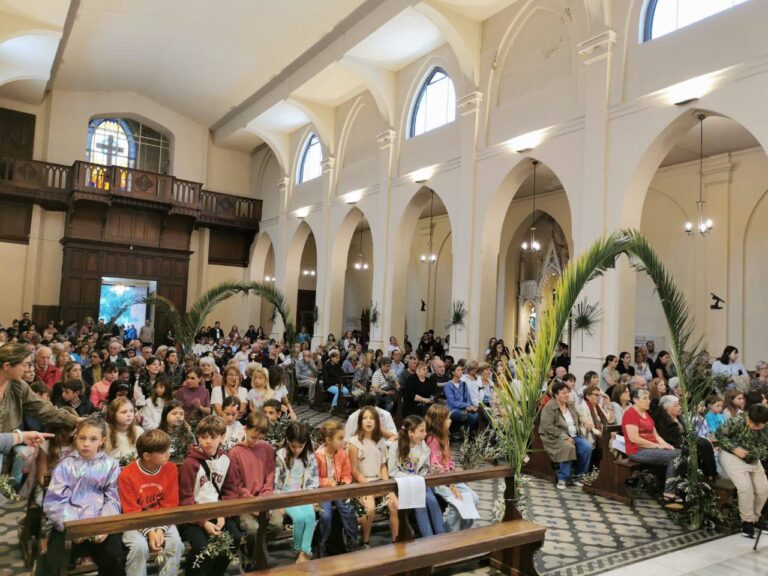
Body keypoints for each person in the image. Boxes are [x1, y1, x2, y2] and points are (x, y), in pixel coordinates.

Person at [38, 417, 125, 576]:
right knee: (52, 563)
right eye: (82, 438)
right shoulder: (65, 465)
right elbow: (55, 502)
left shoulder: (111, 465)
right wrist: (74, 527)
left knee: (115, 558)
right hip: (68, 524)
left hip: (100, 524)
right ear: (75, 437)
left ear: (102, 441)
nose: (86, 444)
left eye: (93, 439)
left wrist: (104, 526)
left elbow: (113, 499)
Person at [178, 415, 240, 576]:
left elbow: (231, 491)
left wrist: (223, 515)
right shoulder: (190, 464)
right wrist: (203, 522)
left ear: (222, 437)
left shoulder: (226, 459)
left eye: (213, 437)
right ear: (197, 437)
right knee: (201, 548)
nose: (208, 441)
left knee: (235, 539)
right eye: (203, 437)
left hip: (219, 511)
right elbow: (185, 499)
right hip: (194, 516)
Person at [119, 429, 183, 576]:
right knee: (139, 547)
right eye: (163, 451)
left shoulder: (171, 469)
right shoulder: (127, 475)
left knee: (175, 544)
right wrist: (150, 532)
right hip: (134, 522)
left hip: (164, 518)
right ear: (147, 456)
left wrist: (160, 529)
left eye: (168, 449)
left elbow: (171, 504)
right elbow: (131, 510)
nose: (169, 453)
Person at [221, 410, 275, 566]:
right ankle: (255, 557)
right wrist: (252, 504)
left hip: (265, 499)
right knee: (252, 529)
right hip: (244, 501)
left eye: (260, 438)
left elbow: (270, 477)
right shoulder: (235, 453)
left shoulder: (267, 449)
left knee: (276, 524)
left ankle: (254, 552)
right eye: (253, 437)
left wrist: (265, 500)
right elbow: (236, 485)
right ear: (245, 429)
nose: (256, 441)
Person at [621, 389, 681, 508]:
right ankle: (668, 494)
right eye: (645, 398)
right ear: (635, 400)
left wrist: (666, 445)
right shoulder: (630, 414)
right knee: (677, 456)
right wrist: (657, 446)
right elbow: (634, 438)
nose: (648, 401)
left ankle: (672, 489)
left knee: (680, 453)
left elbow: (656, 435)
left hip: (651, 449)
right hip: (637, 451)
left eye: (649, 398)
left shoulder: (646, 414)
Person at [347, 406, 399, 545]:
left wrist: (387, 486)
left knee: (394, 504)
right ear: (360, 422)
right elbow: (354, 471)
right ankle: (365, 541)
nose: (368, 421)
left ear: (377, 422)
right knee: (369, 510)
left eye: (372, 418)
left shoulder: (381, 441)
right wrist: (370, 486)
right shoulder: (353, 442)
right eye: (365, 418)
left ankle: (396, 541)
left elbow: (383, 466)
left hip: (378, 481)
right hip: (362, 483)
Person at [715, 404, 768, 538]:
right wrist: (734, 449)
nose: (750, 425)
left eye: (755, 425)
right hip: (732, 456)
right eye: (749, 421)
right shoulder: (737, 421)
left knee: (763, 489)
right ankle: (747, 522)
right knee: (745, 488)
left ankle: (755, 518)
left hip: (753, 458)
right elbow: (720, 434)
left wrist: (757, 454)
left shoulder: (765, 426)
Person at [388, 415, 446, 537]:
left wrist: (425, 474)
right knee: (420, 505)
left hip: (420, 482)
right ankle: (429, 539)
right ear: (410, 433)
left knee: (433, 502)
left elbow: (425, 467)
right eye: (421, 431)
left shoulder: (423, 446)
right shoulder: (395, 447)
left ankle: (442, 536)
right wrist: (410, 478)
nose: (425, 434)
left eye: (425, 430)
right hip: (403, 485)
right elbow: (392, 471)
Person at [425, 404, 480, 531]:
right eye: (448, 419)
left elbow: (448, 460)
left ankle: (462, 531)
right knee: (458, 503)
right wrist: (452, 484)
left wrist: (453, 469)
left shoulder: (444, 437)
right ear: (439, 421)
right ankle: (449, 534)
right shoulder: (431, 440)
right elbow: (435, 466)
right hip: (438, 481)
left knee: (474, 499)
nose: (450, 421)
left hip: (449, 478)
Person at [274, 422, 319, 562]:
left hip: (302, 494)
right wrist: (278, 502)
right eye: (293, 446)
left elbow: (313, 479)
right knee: (299, 518)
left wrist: (311, 498)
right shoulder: (281, 456)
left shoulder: (309, 456)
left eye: (301, 446)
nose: (297, 449)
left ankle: (305, 552)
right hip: (285, 496)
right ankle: (298, 548)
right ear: (287, 440)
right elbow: (276, 481)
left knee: (310, 517)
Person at [314, 421, 359, 554]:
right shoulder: (317, 456)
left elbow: (347, 473)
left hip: (338, 490)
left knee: (347, 509)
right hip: (323, 492)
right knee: (326, 514)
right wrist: (328, 482)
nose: (342, 441)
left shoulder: (341, 454)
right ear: (328, 440)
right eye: (339, 438)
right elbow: (315, 479)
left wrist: (344, 483)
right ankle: (321, 542)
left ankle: (353, 539)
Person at [539, 381, 592, 489]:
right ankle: (562, 478)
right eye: (563, 393)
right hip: (555, 437)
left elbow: (578, 416)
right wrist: (565, 437)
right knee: (567, 447)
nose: (567, 395)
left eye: (567, 392)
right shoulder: (549, 407)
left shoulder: (570, 404)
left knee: (587, 447)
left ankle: (578, 476)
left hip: (574, 435)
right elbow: (548, 427)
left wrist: (584, 420)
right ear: (556, 394)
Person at [655, 395, 717, 481]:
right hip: (674, 445)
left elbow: (687, 433)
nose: (680, 407)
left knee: (705, 443)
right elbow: (671, 440)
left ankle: (709, 474)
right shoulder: (663, 421)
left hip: (684, 441)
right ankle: (705, 475)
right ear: (667, 409)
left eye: (679, 405)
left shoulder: (678, 417)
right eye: (676, 406)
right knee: (700, 445)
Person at [105, 396, 144, 461]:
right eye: (124, 412)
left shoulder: (139, 431)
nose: (129, 415)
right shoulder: (106, 431)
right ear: (113, 414)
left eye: (131, 411)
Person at [444, 364, 479, 432]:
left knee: (477, 415)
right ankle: (466, 435)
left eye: (461, 370)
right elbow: (453, 402)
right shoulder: (448, 386)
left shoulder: (463, 384)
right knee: (472, 417)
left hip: (464, 408)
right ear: (453, 372)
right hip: (453, 410)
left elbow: (468, 398)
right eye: (458, 370)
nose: (461, 372)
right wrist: (466, 406)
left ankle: (473, 437)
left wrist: (469, 406)